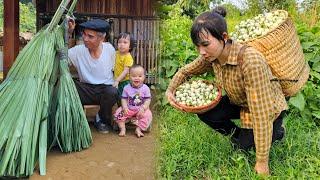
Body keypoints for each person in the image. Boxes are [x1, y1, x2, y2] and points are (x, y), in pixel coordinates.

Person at [165, 7, 287, 175]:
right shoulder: (211, 56)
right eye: (197, 46)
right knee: (208, 113)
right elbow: (186, 71)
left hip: (267, 107)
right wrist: (170, 90)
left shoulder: (250, 61)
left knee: (249, 148)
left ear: (224, 37)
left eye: (206, 44)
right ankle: (240, 137)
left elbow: (261, 114)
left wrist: (262, 162)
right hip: (240, 101)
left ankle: (277, 131)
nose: (201, 51)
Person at [68, 18, 118, 133]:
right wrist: (69, 33)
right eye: (84, 35)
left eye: (90, 36)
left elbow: (116, 68)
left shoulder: (109, 49)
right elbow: (63, 56)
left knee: (112, 92)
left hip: (104, 90)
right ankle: (77, 120)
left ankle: (101, 119)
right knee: (70, 86)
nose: (85, 39)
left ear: (101, 38)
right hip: (86, 89)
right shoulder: (78, 51)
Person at [114, 64, 152, 137]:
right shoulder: (126, 88)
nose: (136, 78)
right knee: (118, 113)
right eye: (134, 76)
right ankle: (122, 129)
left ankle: (139, 129)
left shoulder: (145, 88)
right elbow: (124, 99)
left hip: (141, 110)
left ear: (144, 77)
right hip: (129, 109)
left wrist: (144, 108)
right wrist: (125, 107)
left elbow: (147, 100)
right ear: (129, 77)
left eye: (140, 76)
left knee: (148, 115)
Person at [113, 32, 135, 97]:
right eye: (119, 42)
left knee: (125, 98)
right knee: (118, 97)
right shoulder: (116, 53)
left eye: (125, 42)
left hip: (125, 82)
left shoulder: (128, 57)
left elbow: (126, 71)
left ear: (130, 46)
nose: (121, 44)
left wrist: (117, 80)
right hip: (117, 81)